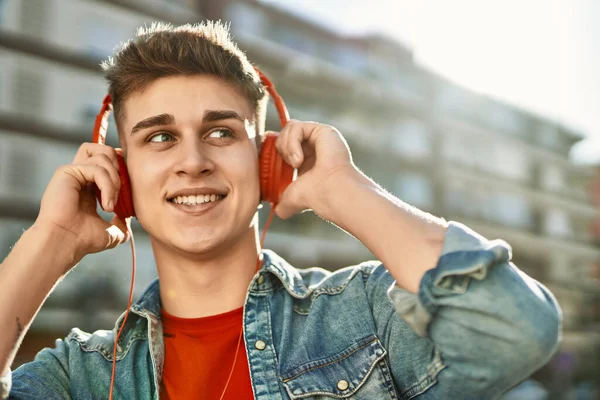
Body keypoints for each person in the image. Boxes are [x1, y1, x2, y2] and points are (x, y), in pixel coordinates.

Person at [0, 21, 561, 399]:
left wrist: (341, 188)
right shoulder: (85, 376)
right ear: (120, 178)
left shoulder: (367, 317)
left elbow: (516, 329)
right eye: (160, 138)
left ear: (267, 160)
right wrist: (51, 239)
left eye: (221, 132)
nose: (192, 162)